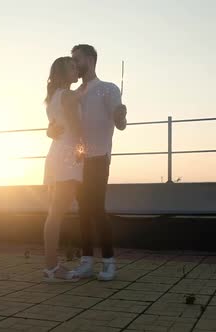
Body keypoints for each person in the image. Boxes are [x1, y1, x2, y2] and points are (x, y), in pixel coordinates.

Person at [48, 44, 127, 281]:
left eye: (77, 59)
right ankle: (86, 261)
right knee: (83, 210)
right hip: (76, 160)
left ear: (91, 60)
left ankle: (109, 261)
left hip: (98, 157)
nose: (74, 64)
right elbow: (60, 122)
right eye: (72, 61)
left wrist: (120, 116)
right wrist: (50, 131)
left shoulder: (108, 88)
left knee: (96, 209)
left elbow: (120, 124)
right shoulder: (73, 92)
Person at [42, 56, 87, 282]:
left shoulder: (52, 98)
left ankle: (52, 265)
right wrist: (82, 154)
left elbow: (52, 128)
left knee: (54, 213)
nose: (75, 69)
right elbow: (77, 129)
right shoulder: (68, 95)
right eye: (71, 67)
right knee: (57, 214)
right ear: (61, 73)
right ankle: (52, 268)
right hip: (69, 155)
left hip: (56, 153)